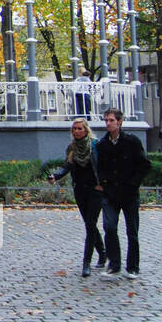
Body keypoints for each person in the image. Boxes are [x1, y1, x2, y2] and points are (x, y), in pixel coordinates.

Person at [96, 107, 150, 279]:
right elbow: (100, 167)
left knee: (132, 231)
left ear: (119, 122)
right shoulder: (102, 144)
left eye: (111, 120)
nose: (108, 123)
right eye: (106, 120)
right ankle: (114, 264)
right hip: (110, 193)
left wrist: (133, 184)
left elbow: (144, 165)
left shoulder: (132, 142)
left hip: (129, 194)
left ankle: (133, 266)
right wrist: (103, 183)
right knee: (109, 227)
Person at [50, 117, 107, 277]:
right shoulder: (72, 148)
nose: (76, 131)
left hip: (95, 190)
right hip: (80, 190)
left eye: (80, 128)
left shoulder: (96, 145)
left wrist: (103, 183)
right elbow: (67, 166)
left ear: (86, 129)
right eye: (74, 129)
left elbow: (103, 166)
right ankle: (102, 252)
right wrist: (56, 176)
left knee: (90, 224)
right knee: (90, 224)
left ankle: (86, 263)